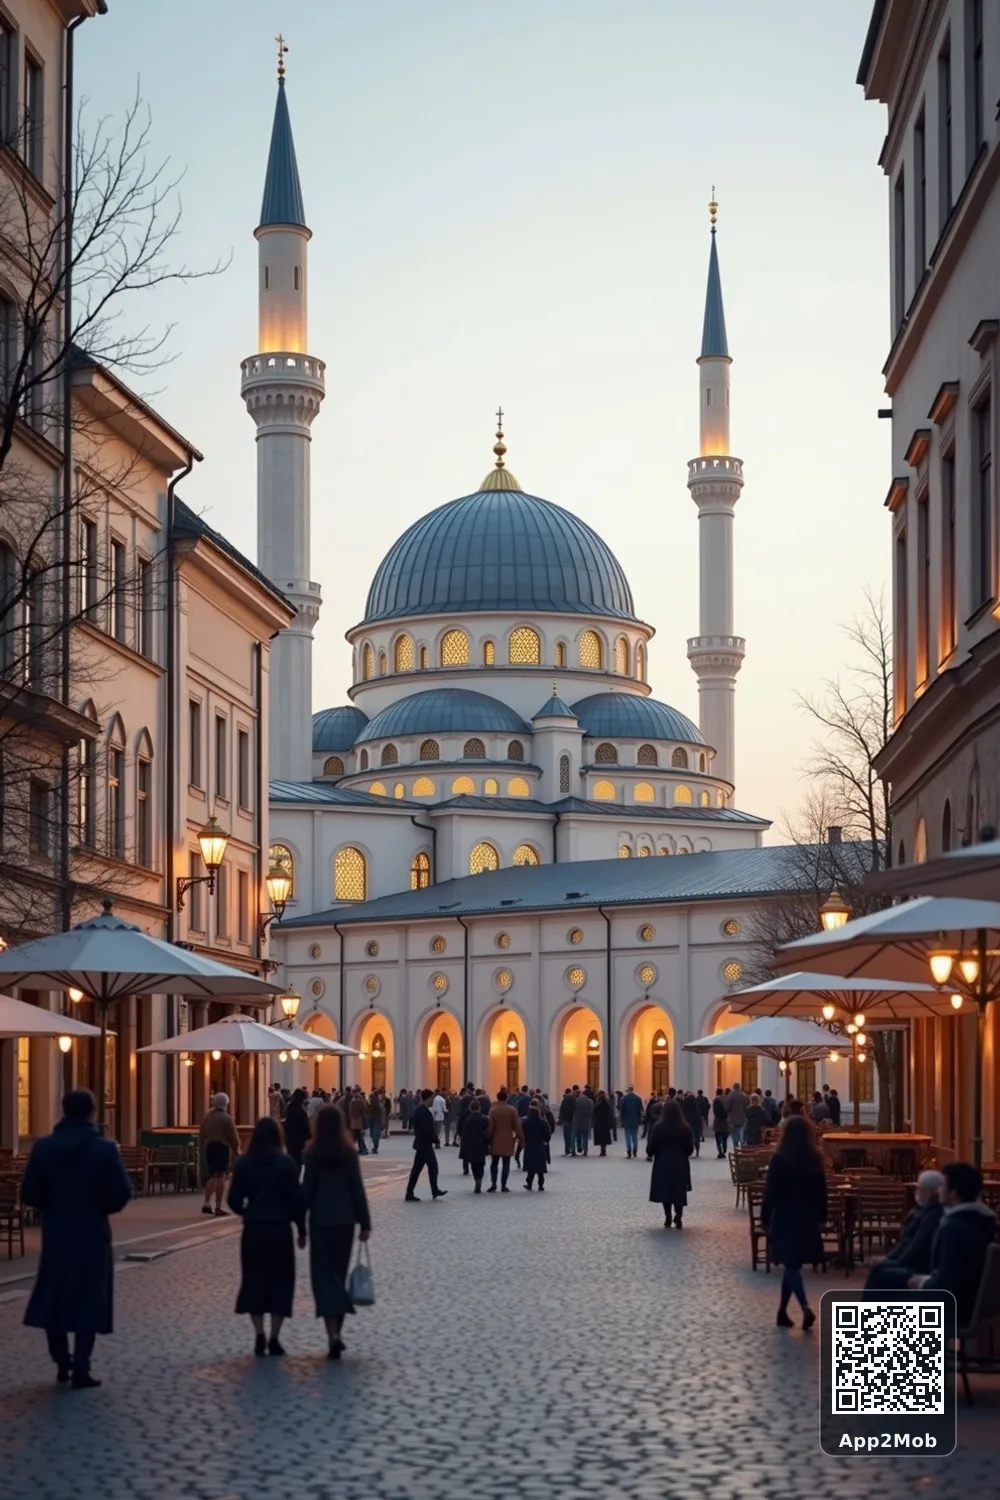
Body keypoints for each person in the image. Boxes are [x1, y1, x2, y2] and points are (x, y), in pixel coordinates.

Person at [21, 1089, 132, 1389]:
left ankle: (62, 1361)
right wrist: (101, 1207)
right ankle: (81, 1366)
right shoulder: (105, 1149)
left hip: (56, 1231)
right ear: (92, 1113)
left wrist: (51, 1206)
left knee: (54, 1295)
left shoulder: (43, 1148)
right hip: (92, 1231)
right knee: (90, 1297)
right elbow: (122, 1192)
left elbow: (29, 1192)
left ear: (63, 1110)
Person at [227, 1117, 305, 1356]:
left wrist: (247, 1211)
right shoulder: (286, 1163)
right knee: (281, 1282)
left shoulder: (244, 1163)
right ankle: (274, 1337)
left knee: (254, 1280)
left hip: (254, 1229)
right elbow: (295, 1201)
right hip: (279, 1229)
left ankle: (259, 1333)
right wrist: (302, 1230)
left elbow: (233, 1200)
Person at [301, 1104, 372, 1359]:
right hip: (345, 1222)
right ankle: (337, 1334)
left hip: (320, 1221)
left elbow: (307, 1190)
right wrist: (365, 1223)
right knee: (339, 1276)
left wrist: (300, 1224)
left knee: (324, 1277)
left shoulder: (312, 1153)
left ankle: (331, 1332)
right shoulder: (348, 1152)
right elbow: (357, 1189)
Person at [909, 1162, 997, 1326]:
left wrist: (921, 1282)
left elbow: (946, 1284)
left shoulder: (953, 1228)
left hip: (955, 1309)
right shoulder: (982, 1220)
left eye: (942, 1185)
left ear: (953, 1193)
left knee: (890, 1291)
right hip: (976, 1304)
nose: (938, 1190)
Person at [760, 1114, 827, 1329]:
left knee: (791, 1264)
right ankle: (782, 1312)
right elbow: (821, 1192)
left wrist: (764, 1216)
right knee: (793, 1264)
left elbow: (770, 1191)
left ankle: (806, 1307)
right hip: (807, 1216)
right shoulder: (815, 1158)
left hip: (786, 1215)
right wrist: (822, 1217)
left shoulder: (780, 1158)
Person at [864, 1171, 944, 1289]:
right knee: (878, 1269)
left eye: (920, 1189)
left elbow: (918, 1244)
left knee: (879, 1272)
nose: (917, 1192)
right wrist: (889, 1258)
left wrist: (895, 1261)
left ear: (931, 1192)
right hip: (908, 1260)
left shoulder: (933, 1214)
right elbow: (905, 1242)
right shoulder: (921, 1210)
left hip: (918, 1266)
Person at [647, 1099, 694, 1229]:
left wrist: (651, 1153)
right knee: (679, 1190)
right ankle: (678, 1215)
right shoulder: (685, 1128)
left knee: (665, 1190)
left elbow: (651, 1147)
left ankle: (667, 1215)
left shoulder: (658, 1127)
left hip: (663, 1162)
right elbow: (690, 1149)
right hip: (680, 1163)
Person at [199, 1092, 241, 1216]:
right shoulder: (226, 1118)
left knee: (212, 1175)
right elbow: (233, 1136)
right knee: (221, 1175)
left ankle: (206, 1203)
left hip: (209, 1146)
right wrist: (236, 1150)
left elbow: (202, 1133)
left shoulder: (207, 1117)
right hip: (221, 1147)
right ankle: (218, 1206)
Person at [405, 1089, 447, 1202]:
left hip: (422, 1144)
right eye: (432, 1098)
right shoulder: (422, 1112)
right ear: (427, 1098)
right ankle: (433, 1190)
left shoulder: (421, 1110)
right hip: (424, 1144)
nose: (433, 1100)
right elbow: (426, 1129)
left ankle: (411, 1192)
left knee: (418, 1169)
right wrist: (435, 1139)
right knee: (431, 1167)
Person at [486, 1088, 524, 1192]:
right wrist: (521, 1139)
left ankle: (493, 1184)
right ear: (507, 1098)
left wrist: (487, 1138)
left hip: (495, 1139)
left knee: (494, 1163)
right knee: (506, 1163)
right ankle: (504, 1185)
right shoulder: (511, 1110)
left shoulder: (493, 1110)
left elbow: (490, 1127)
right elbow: (517, 1126)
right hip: (507, 1138)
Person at [521, 1099, 552, 1190]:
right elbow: (547, 1134)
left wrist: (524, 1141)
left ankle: (529, 1183)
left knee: (531, 1166)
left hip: (529, 1144)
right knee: (540, 1167)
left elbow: (523, 1133)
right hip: (539, 1145)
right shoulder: (542, 1122)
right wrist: (546, 1140)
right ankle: (541, 1184)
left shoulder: (526, 1121)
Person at [461, 1097, 490, 1192]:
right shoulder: (484, 1118)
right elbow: (487, 1132)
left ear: (470, 1108)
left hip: (471, 1144)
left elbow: (464, 1133)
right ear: (479, 1108)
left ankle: (476, 1178)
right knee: (481, 1163)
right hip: (481, 1143)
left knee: (473, 1163)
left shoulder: (468, 1119)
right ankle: (480, 1178)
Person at [283, 1087, 312, 1167]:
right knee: (298, 1160)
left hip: (289, 1137)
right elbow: (305, 1126)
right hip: (299, 1139)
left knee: (291, 1157)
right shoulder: (302, 1111)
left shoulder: (290, 1108)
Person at [619, 1085, 643, 1159]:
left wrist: (621, 1119)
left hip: (627, 1120)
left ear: (628, 1090)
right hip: (635, 1120)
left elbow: (621, 1110)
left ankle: (629, 1151)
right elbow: (641, 1109)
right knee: (635, 1137)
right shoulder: (638, 1098)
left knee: (628, 1137)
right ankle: (635, 1151)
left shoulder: (624, 1099)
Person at [726, 1082, 749, 1147]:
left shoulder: (730, 1096)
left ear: (733, 1087)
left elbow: (727, 1107)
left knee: (734, 1132)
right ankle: (741, 1142)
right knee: (741, 1130)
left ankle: (735, 1144)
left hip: (732, 1117)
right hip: (742, 1116)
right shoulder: (744, 1095)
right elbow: (747, 1105)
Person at [572, 1088, 594, 1157]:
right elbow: (592, 1111)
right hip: (586, 1121)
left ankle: (577, 1147)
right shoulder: (590, 1101)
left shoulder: (577, 1101)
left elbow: (574, 1110)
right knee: (585, 1137)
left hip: (577, 1121)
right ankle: (585, 1150)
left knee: (577, 1135)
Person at [680, 1091, 703, 1157]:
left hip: (687, 1122)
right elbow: (698, 1113)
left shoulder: (684, 1103)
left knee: (688, 1136)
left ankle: (688, 1149)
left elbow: (683, 1113)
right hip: (695, 1122)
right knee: (697, 1136)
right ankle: (697, 1150)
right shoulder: (695, 1103)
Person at [592, 1090, 614, 1157]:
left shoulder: (599, 1103)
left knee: (601, 1136)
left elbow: (595, 1111)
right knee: (603, 1136)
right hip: (604, 1122)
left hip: (600, 1121)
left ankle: (603, 1150)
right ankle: (603, 1150)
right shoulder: (605, 1102)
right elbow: (610, 1111)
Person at [347, 1089, 368, 1155]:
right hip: (359, 1121)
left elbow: (350, 1112)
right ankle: (363, 1149)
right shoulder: (361, 1102)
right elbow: (364, 1109)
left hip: (353, 1121)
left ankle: (361, 1149)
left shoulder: (351, 1103)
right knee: (360, 1136)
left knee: (356, 1136)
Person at [711, 1088, 729, 1158]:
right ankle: (724, 1150)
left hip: (718, 1121)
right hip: (724, 1121)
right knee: (724, 1136)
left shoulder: (715, 1100)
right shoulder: (725, 1099)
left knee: (718, 1137)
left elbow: (716, 1111)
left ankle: (720, 1152)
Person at [557, 1089, 576, 1156]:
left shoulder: (564, 1101)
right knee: (572, 1135)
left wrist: (560, 1119)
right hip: (572, 1119)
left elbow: (561, 1110)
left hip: (565, 1120)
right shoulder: (574, 1099)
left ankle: (567, 1150)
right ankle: (573, 1149)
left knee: (566, 1136)